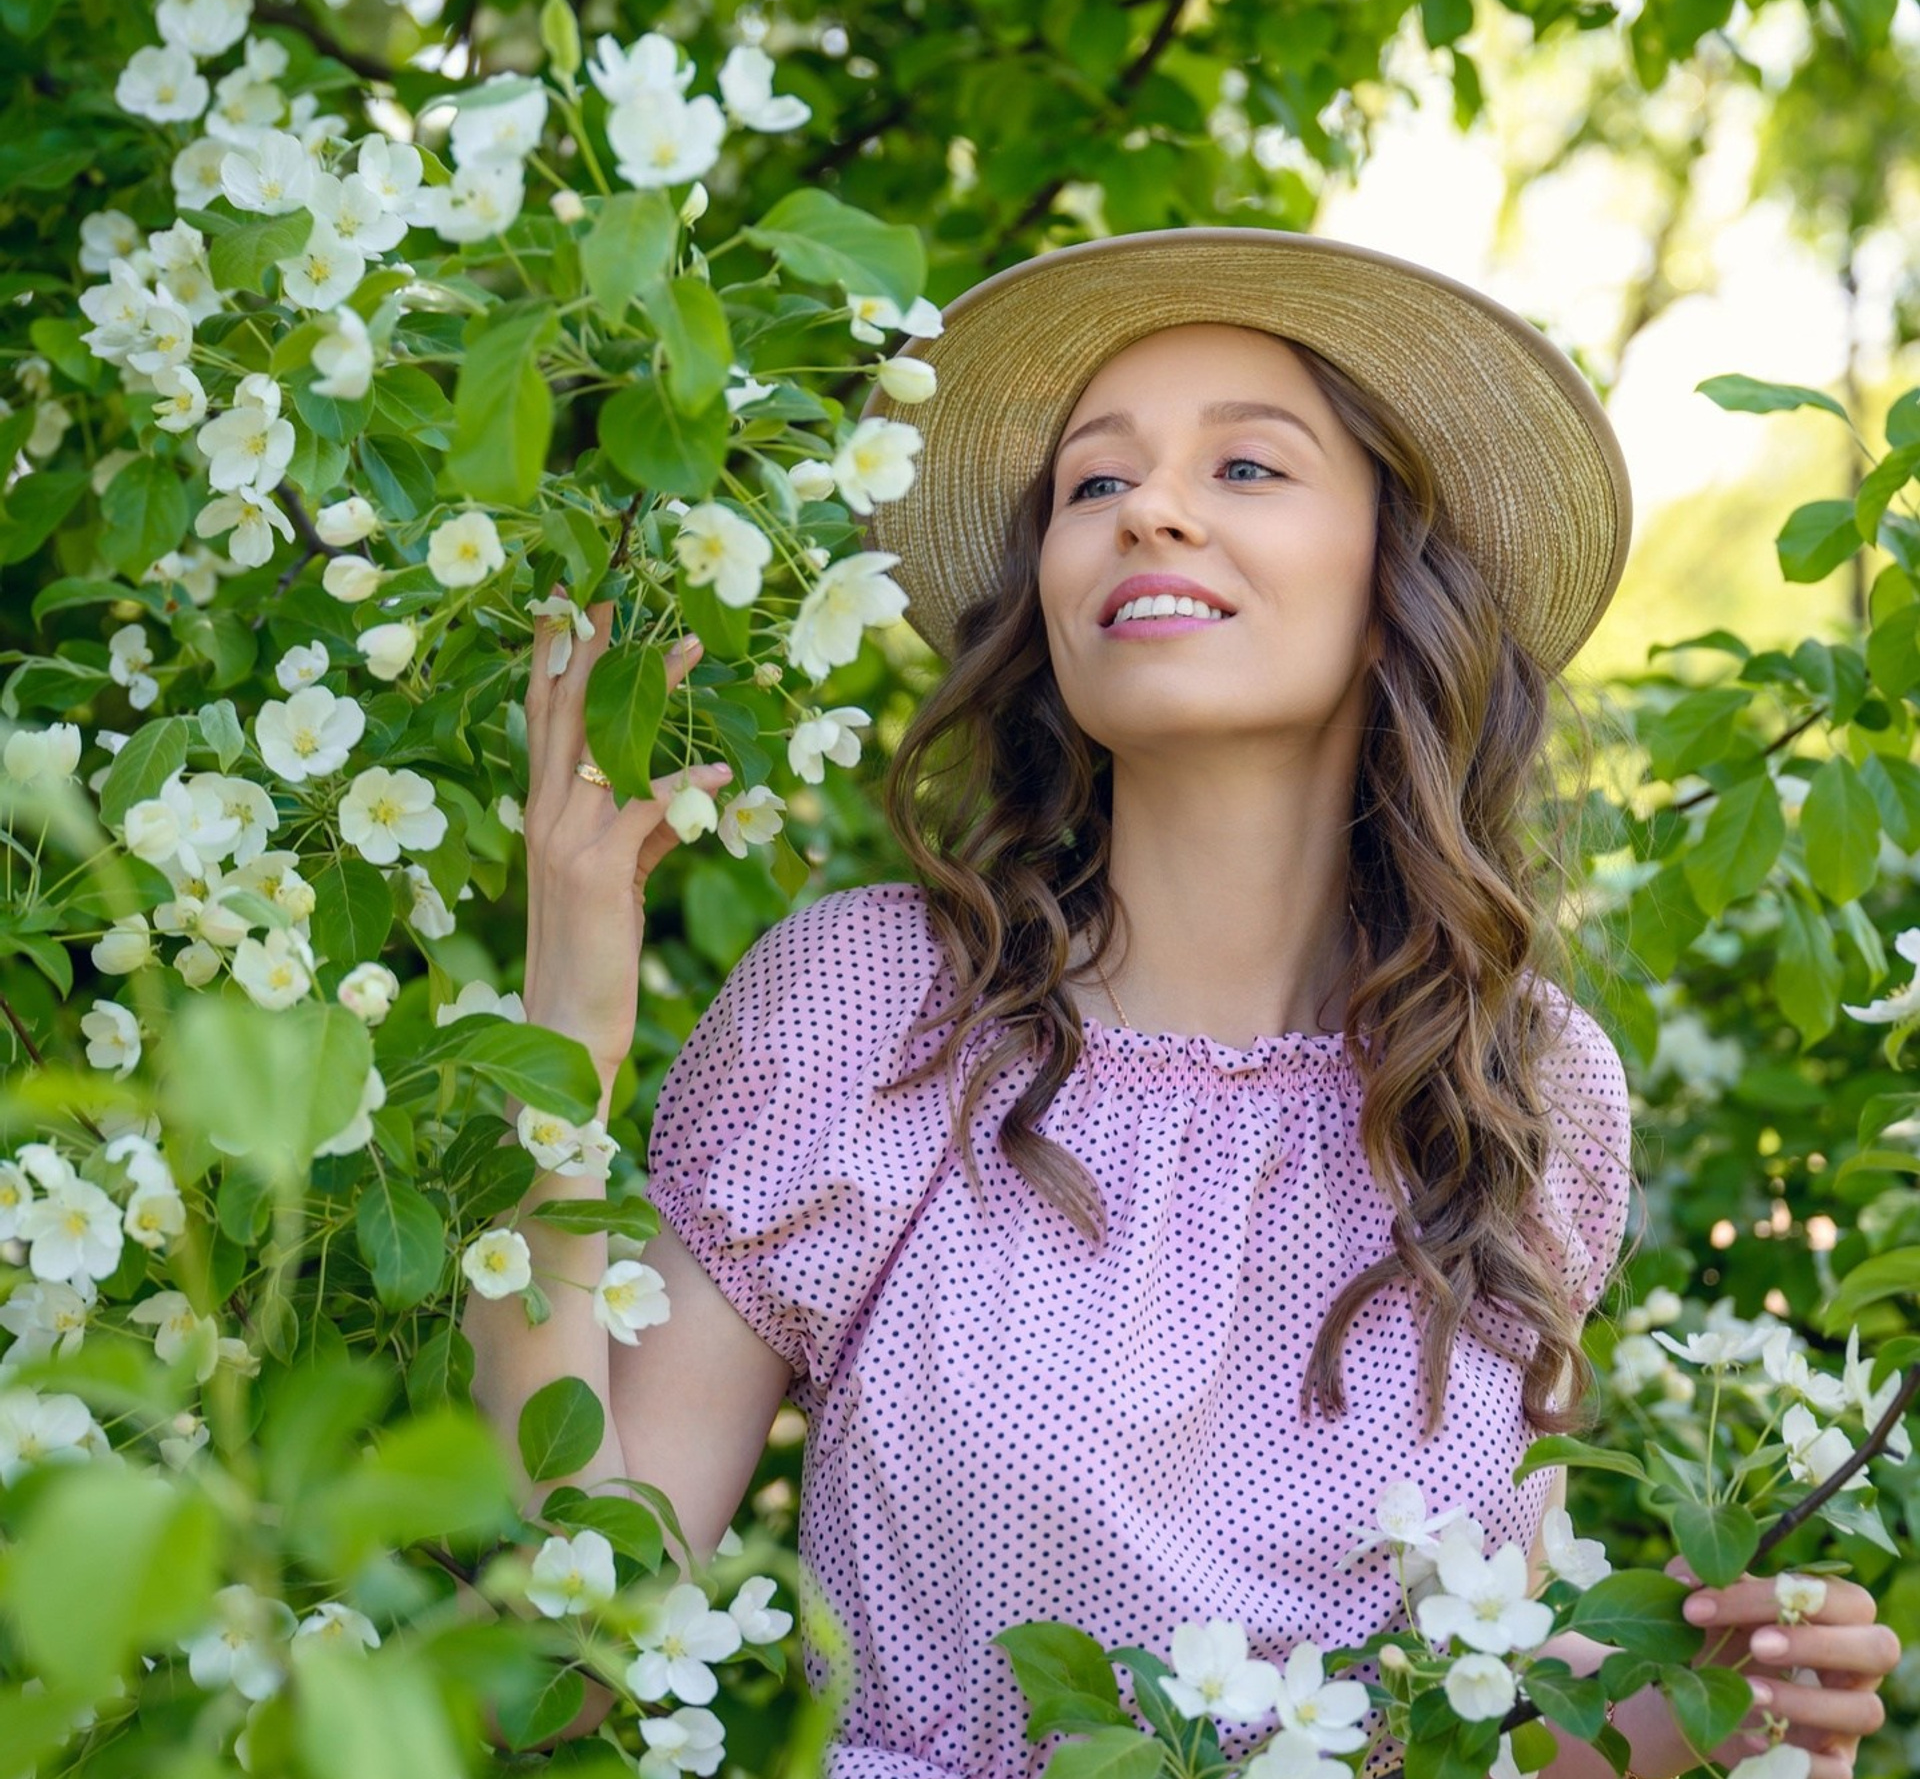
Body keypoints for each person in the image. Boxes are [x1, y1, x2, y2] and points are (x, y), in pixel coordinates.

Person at [463, 228, 1900, 1779]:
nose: (1149, 508)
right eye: (1095, 484)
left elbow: (1465, 1706)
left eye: (1248, 471)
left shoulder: (1519, 1084)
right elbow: (568, 1672)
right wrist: (558, 1064)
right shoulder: (872, 1015)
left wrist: (1716, 1698)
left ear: (1390, 577)